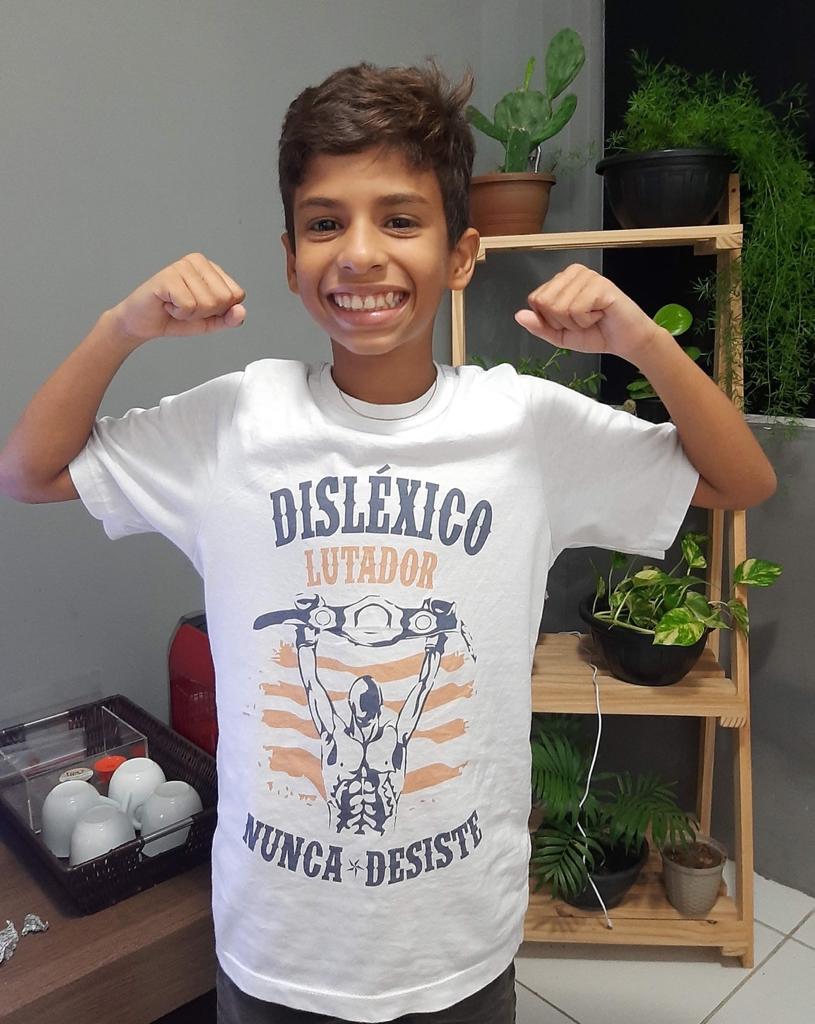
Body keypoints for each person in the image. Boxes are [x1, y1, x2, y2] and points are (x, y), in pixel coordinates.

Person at [0, 59, 776, 1024]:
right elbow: (28, 472)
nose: (359, 253)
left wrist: (643, 341)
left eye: (400, 219)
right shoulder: (234, 421)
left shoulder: (523, 426)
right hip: (278, 946)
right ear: (291, 258)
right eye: (325, 223)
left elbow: (740, 480)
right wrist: (121, 327)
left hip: (455, 945)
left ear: (461, 255)